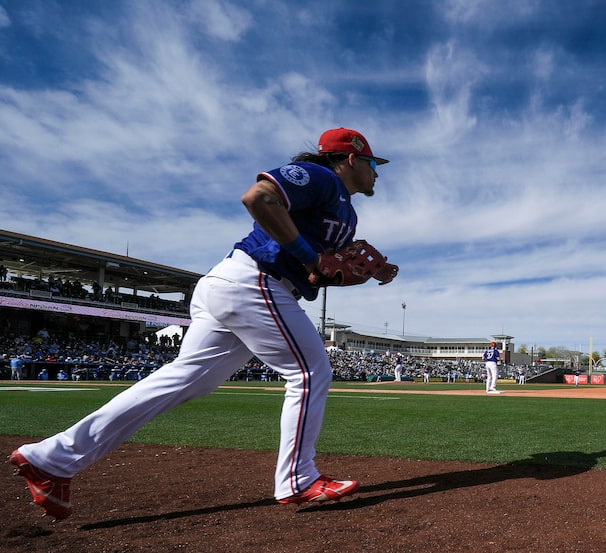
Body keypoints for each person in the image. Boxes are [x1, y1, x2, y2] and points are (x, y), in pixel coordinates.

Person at [9, 128, 397, 520]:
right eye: (372, 163)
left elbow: (313, 270)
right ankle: (297, 478)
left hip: (245, 286)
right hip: (253, 281)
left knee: (184, 380)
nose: (377, 172)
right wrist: (311, 259)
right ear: (350, 159)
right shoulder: (321, 178)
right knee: (311, 371)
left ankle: (51, 459)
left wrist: (336, 271)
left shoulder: (346, 209)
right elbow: (259, 197)